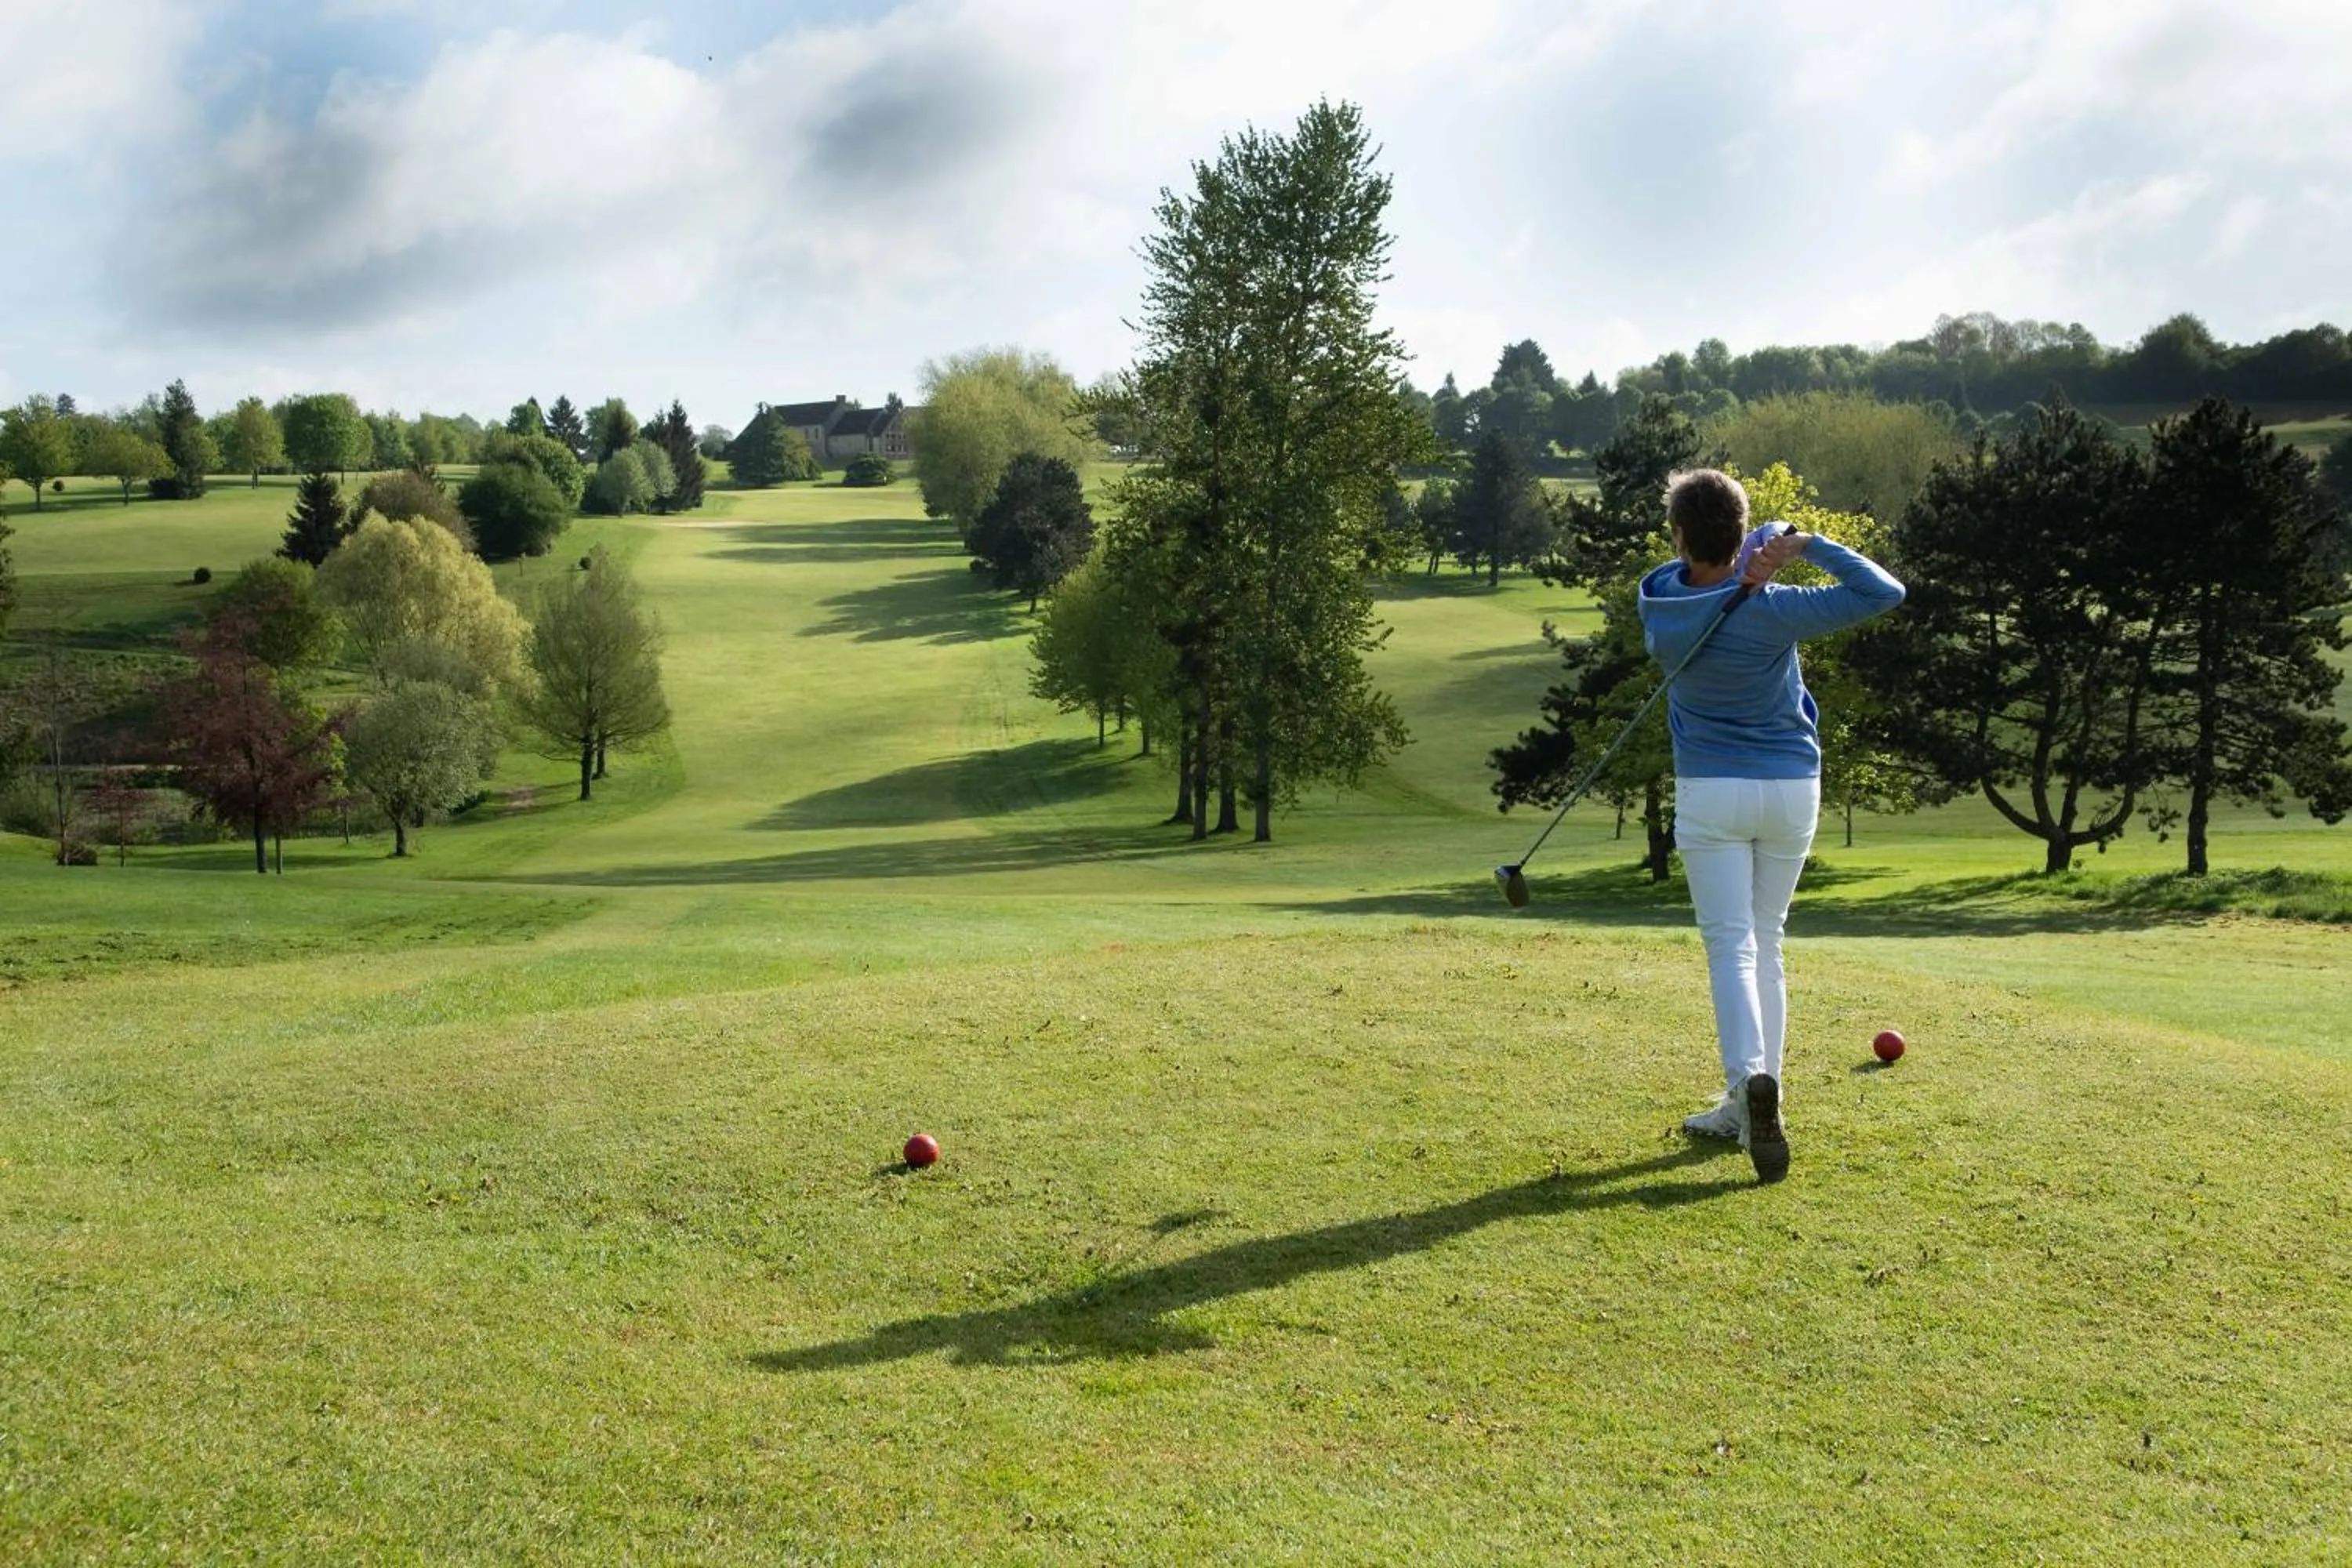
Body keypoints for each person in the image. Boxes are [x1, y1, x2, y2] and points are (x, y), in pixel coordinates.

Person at [1635, 469, 1904, 1182]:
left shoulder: (1659, 604)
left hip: (1711, 791)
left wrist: (1747, 553)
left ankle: (1746, 1087)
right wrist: (1803, 544)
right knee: (1767, 940)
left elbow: (1690, 575)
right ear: (1743, 531)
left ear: (1680, 534)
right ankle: (1759, 1097)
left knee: (1731, 948)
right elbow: (1885, 592)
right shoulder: (1776, 608)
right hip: (1789, 787)